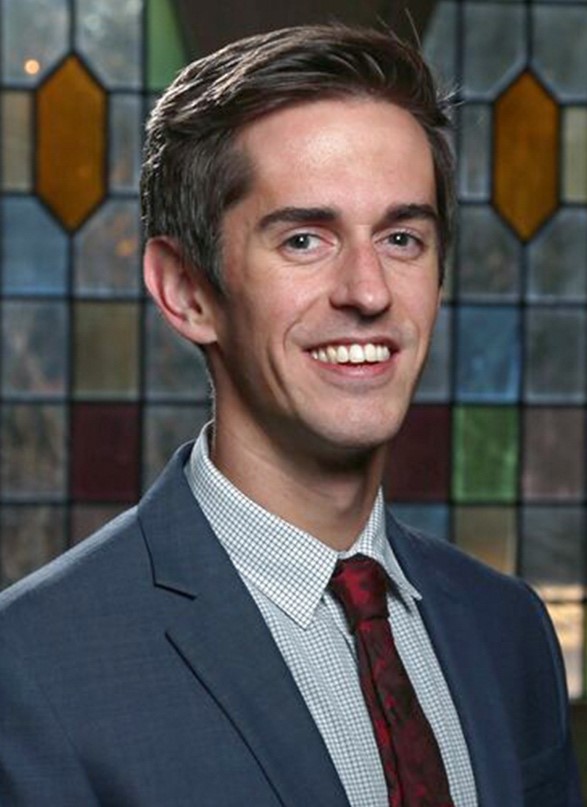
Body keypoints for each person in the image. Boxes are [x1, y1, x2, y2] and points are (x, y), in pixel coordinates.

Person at [0, 24, 581, 807]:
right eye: (304, 238)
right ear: (186, 290)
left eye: (401, 236)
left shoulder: (508, 630)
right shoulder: (34, 664)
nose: (368, 291)